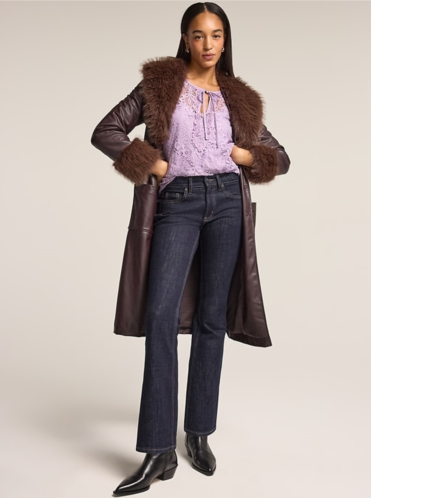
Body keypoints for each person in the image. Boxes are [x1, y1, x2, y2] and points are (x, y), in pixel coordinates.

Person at [91, 2, 290, 496]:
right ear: (185, 39)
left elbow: (281, 158)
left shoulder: (239, 97)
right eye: (198, 35)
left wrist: (247, 154)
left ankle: (198, 433)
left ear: (225, 40)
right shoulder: (159, 84)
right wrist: (154, 165)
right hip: (177, 202)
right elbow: (106, 130)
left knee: (211, 318)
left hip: (226, 203)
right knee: (160, 316)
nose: (208, 44)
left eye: (216, 35)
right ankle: (158, 450)